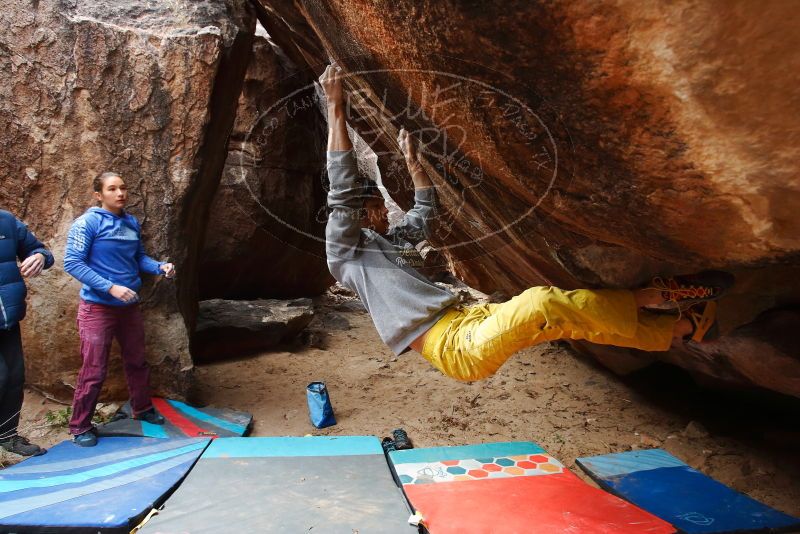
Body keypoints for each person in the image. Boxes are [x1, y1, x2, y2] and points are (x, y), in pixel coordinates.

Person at [319, 64, 733, 382]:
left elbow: (423, 215)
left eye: (372, 204)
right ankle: (654, 295)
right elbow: (341, 190)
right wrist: (336, 110)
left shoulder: (387, 247)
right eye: (365, 205)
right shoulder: (344, 254)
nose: (371, 211)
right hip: (457, 347)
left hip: (470, 320)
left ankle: (683, 327)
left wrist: (414, 166)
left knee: (566, 320)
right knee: (541, 301)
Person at [64, 172, 176, 446]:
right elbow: (73, 263)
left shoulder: (130, 222)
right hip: (97, 307)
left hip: (128, 307)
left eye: (123, 188)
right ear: (98, 195)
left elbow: (138, 257)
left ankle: (142, 408)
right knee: (94, 369)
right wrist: (109, 287)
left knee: (137, 360)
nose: (120, 193)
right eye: (112, 189)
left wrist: (159, 267)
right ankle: (79, 426)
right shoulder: (87, 222)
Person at [0, 210, 54, 456]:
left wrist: (40, 257)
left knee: (14, 377)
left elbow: (41, 250)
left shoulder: (6, 221)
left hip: (8, 319)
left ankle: (7, 436)